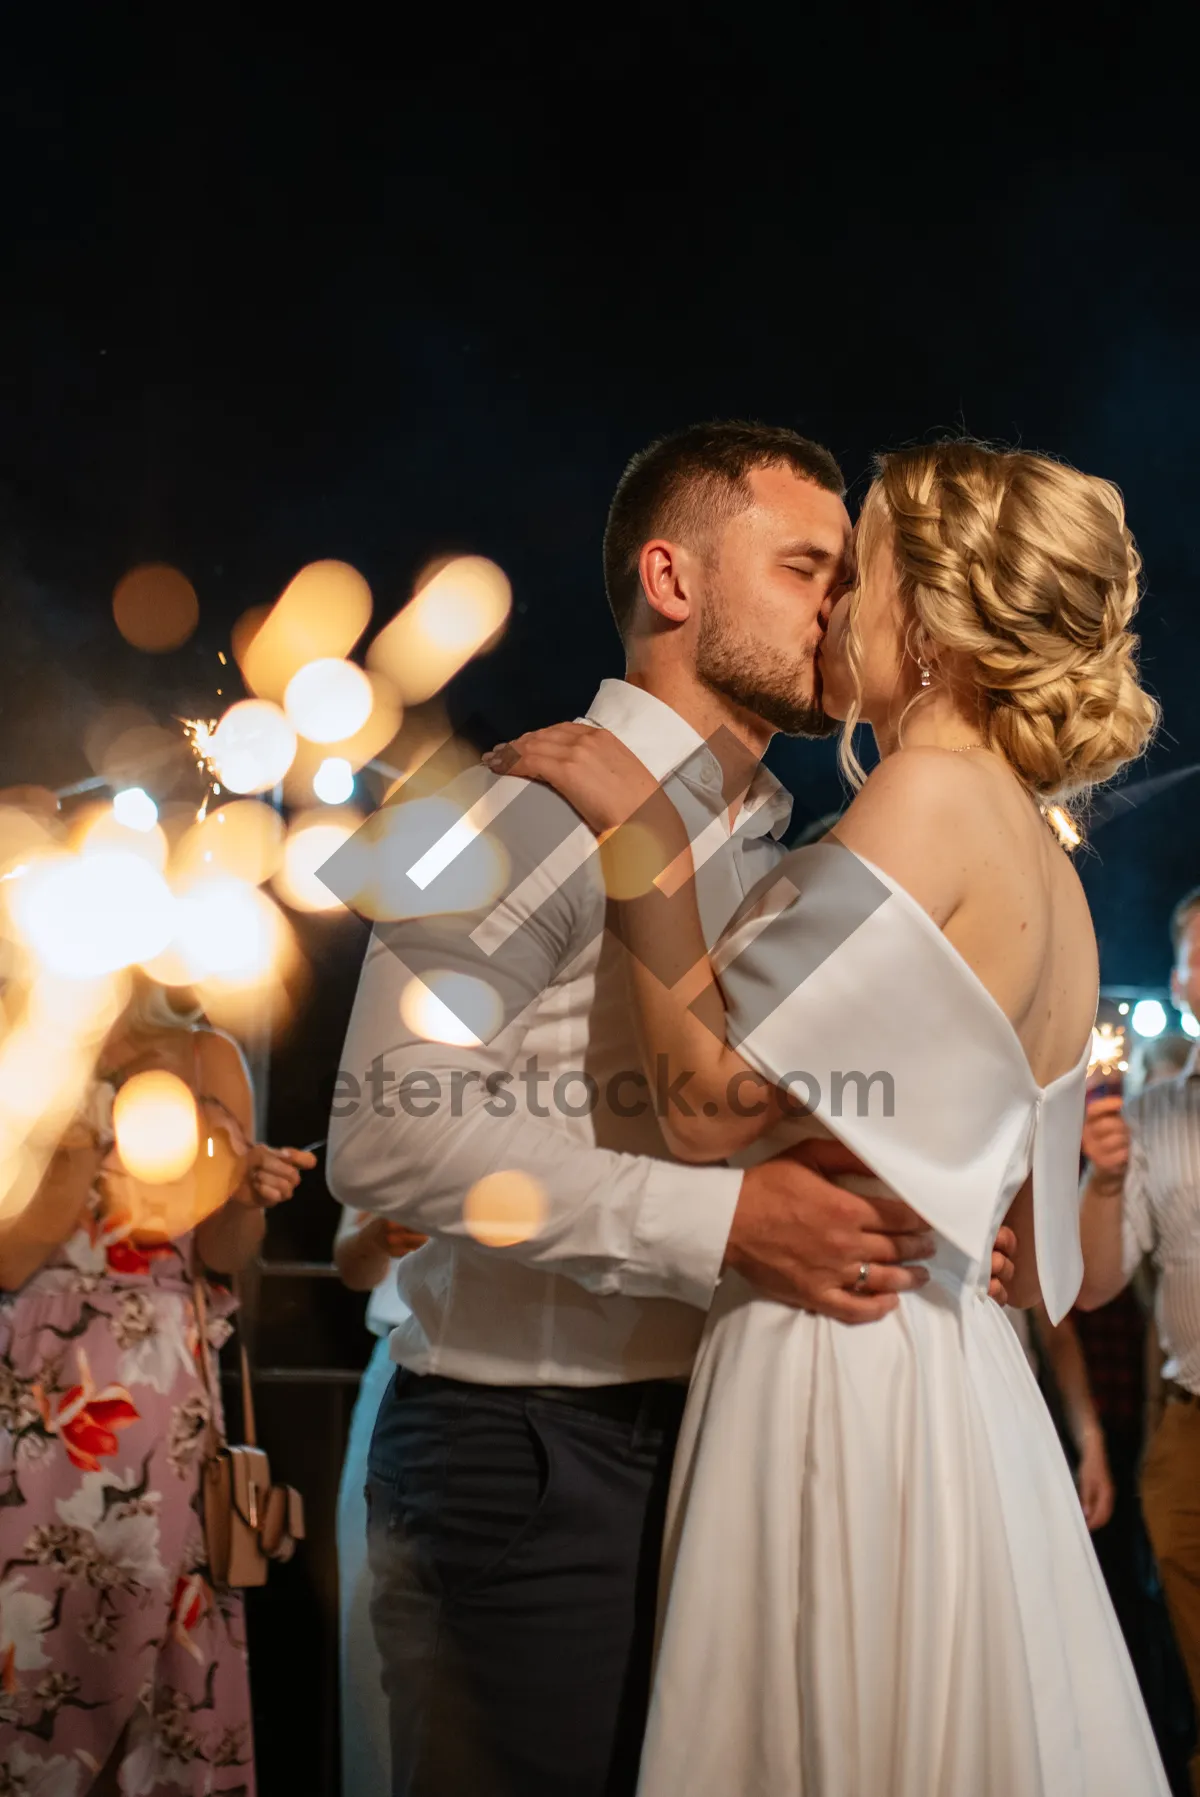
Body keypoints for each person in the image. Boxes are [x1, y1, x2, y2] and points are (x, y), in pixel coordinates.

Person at [327, 421, 1018, 1797]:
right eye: (810, 566)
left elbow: (723, 1103)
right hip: (520, 1454)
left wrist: (913, 1213)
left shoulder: (775, 844)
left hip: (715, 1433)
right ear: (674, 579)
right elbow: (384, 1131)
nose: (847, 606)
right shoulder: (510, 807)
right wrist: (727, 1222)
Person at [503, 437, 1167, 1792]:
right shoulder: (1053, 863)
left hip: (840, 1366)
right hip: (963, 1388)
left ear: (926, 620)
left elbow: (696, 1113)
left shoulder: (926, 798)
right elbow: (1040, 1264)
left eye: (857, 568)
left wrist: (642, 848)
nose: (836, 602)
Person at [0, 973, 316, 1795]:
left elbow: (222, 1253)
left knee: (167, 1657)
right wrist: (77, 1106)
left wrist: (252, 1193)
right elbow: (12, 1254)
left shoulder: (213, 1056)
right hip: (39, 1388)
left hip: (169, 1394)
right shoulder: (27, 1043)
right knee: (35, 1653)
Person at [1080, 890, 1200, 1792]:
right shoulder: (1153, 1114)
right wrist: (1106, 1179)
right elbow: (1097, 1281)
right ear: (1179, 982)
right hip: (1187, 1431)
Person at [333, 1207, 426, 1797]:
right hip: (401, 1361)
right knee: (370, 1622)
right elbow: (352, 1261)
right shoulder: (407, 1110)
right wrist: (378, 1236)